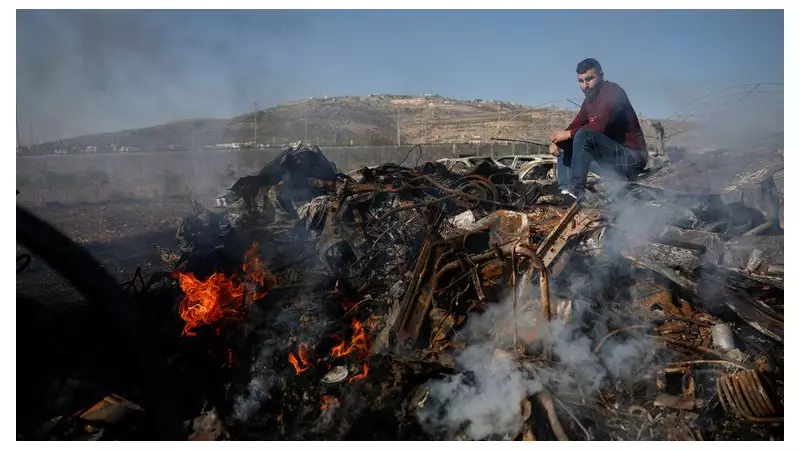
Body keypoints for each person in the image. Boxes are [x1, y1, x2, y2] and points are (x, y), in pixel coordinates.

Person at [548, 58, 648, 203]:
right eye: (581, 81)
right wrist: (557, 141)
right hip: (612, 162)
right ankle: (566, 192)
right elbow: (576, 123)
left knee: (582, 135)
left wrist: (568, 134)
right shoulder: (589, 101)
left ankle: (576, 191)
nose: (585, 85)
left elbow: (601, 125)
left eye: (589, 79)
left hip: (632, 160)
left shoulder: (613, 91)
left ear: (601, 76)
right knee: (566, 142)